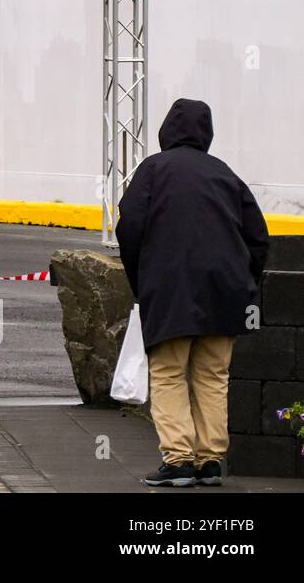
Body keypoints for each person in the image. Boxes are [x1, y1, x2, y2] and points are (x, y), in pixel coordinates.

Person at [117, 98, 270, 488]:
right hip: (226, 291)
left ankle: (180, 459)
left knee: (168, 373)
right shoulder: (225, 174)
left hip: (171, 291)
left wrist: (143, 280)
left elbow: (129, 228)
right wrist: (244, 283)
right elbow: (258, 237)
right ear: (208, 133)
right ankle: (211, 460)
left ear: (166, 130)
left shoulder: (153, 169)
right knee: (213, 375)